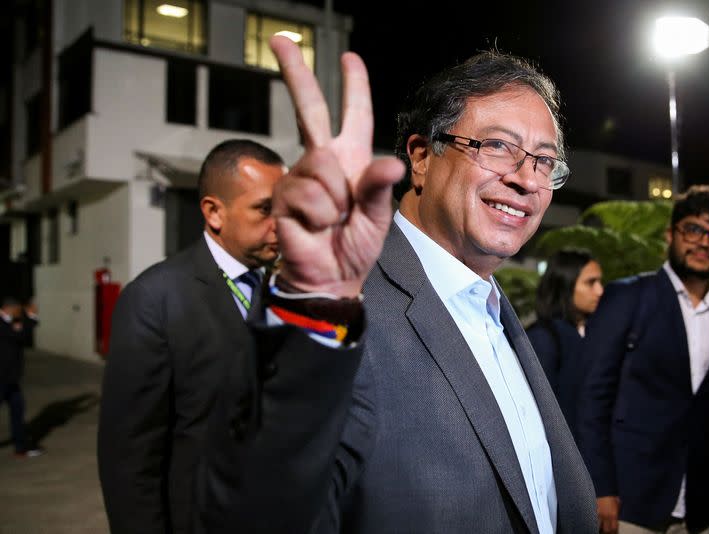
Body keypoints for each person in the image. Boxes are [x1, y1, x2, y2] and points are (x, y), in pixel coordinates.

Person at [196, 36, 597, 534]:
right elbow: (258, 510)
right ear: (422, 157)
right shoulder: (345, 311)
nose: (527, 179)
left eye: (543, 160)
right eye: (498, 147)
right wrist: (311, 303)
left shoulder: (492, 306)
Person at [97, 139, 286, 534]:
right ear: (214, 212)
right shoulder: (155, 298)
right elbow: (130, 460)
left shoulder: (286, 290)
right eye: (265, 209)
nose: (280, 224)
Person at [576, 185, 709, 534]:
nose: (705, 242)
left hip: (697, 507)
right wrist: (599, 486)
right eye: (693, 229)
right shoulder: (627, 297)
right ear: (670, 235)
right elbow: (591, 399)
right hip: (627, 501)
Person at [526, 248, 603, 433]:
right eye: (590, 283)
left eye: (600, 282)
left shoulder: (596, 332)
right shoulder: (543, 338)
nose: (600, 291)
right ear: (565, 284)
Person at [0, 296, 43, 458]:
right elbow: (18, 335)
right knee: (17, 411)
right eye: (19, 310)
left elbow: (20, 333)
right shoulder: (2, 324)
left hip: (11, 379)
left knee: (18, 412)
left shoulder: (11, 321)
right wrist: (31, 317)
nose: (21, 312)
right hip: (2, 378)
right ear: (9, 308)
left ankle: (21, 447)